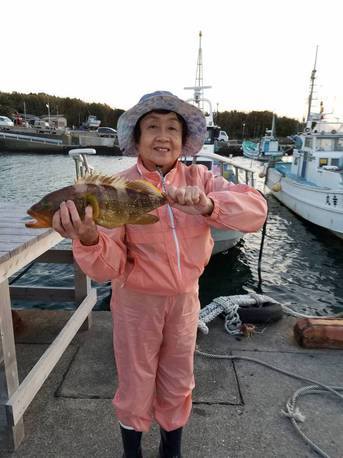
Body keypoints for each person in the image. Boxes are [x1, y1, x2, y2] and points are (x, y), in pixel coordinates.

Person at [52, 91, 268, 458]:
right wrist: (89, 238)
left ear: (184, 142)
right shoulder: (114, 189)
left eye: (172, 128)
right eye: (152, 127)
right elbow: (108, 269)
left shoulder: (203, 178)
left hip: (186, 300)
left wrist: (209, 205)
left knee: (179, 379)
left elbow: (256, 211)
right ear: (136, 139)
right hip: (136, 302)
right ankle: (131, 451)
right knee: (135, 382)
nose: (163, 136)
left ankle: (172, 450)